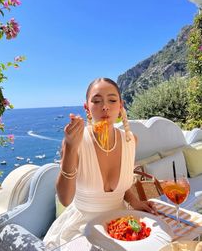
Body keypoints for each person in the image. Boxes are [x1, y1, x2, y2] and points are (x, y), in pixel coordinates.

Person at [43, 78, 156, 248]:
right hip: (83, 228)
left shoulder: (130, 141)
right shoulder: (76, 142)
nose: (105, 106)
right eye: (96, 101)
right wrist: (71, 148)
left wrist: (135, 202)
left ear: (120, 106)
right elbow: (65, 199)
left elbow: (122, 186)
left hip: (121, 222)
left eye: (112, 100)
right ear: (87, 108)